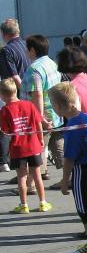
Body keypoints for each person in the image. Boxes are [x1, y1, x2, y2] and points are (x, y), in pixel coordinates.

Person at [49, 82, 87, 253]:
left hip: (83, 169)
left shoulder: (72, 127)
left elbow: (69, 158)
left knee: (84, 208)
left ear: (58, 107)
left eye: (53, 105)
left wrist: (65, 180)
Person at [0, 78, 50, 213]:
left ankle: (24, 205)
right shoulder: (29, 105)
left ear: (2, 96)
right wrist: (40, 138)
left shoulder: (4, 110)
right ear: (16, 91)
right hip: (33, 145)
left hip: (17, 149)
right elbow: (38, 123)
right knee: (37, 175)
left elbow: (5, 131)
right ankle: (43, 202)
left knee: (21, 177)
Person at [22, 35, 64, 181]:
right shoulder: (52, 63)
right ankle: (68, 175)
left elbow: (37, 94)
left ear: (32, 50)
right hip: (56, 112)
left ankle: (32, 183)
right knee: (57, 145)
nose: (26, 52)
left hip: (41, 115)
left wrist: (39, 118)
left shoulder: (34, 69)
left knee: (37, 148)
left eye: (27, 49)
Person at [0, 18, 31, 173]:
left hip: (17, 94)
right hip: (31, 91)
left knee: (8, 126)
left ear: (4, 34)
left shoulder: (7, 51)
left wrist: (24, 93)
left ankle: (6, 162)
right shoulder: (27, 45)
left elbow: (13, 76)